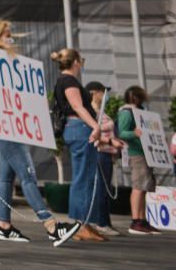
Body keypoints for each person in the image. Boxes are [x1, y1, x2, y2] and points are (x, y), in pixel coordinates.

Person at [0, 20, 80, 246]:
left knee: (7, 177)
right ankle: (51, 226)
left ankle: (4, 225)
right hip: (4, 125)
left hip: (7, 124)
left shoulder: (7, 60)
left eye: (11, 33)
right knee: (28, 175)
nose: (11, 36)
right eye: (7, 33)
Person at [51, 48, 107, 242]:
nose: (81, 63)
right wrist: (95, 126)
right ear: (75, 62)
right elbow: (77, 106)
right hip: (79, 127)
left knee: (87, 175)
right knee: (83, 176)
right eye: (80, 60)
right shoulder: (68, 81)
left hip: (78, 128)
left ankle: (85, 223)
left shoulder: (66, 80)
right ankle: (79, 223)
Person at [117, 85, 160, 235]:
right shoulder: (127, 113)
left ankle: (142, 220)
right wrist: (134, 134)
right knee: (138, 186)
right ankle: (136, 220)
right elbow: (121, 132)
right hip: (136, 152)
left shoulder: (139, 112)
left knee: (144, 186)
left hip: (145, 151)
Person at [85, 81, 125, 237]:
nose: (105, 96)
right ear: (95, 93)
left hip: (107, 153)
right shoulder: (91, 114)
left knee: (105, 189)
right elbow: (93, 136)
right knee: (101, 188)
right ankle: (100, 222)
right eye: (103, 92)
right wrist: (109, 142)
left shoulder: (103, 112)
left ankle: (105, 221)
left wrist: (114, 147)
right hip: (99, 152)